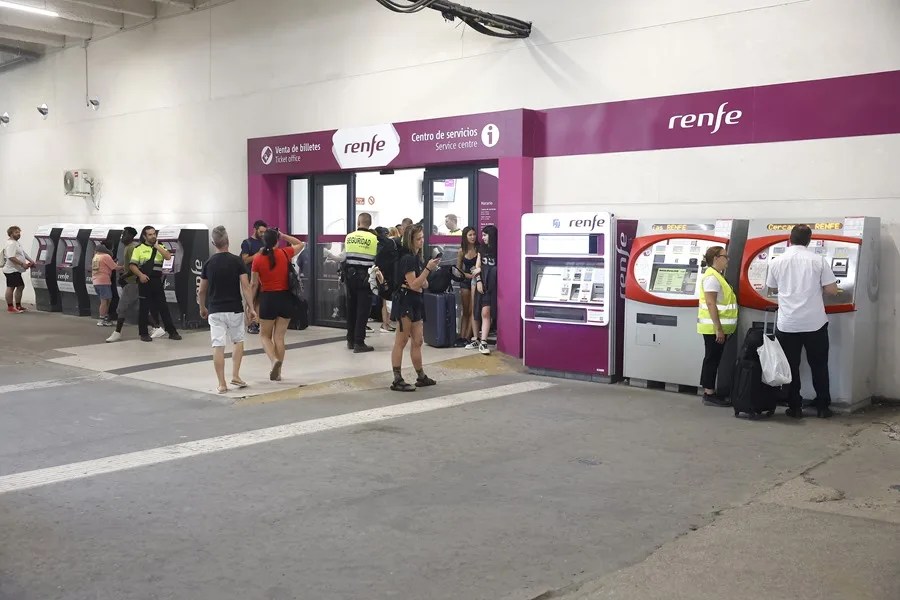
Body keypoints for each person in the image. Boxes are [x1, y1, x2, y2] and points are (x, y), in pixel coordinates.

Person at [766, 224, 840, 419]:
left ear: (790, 239)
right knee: (819, 364)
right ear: (809, 240)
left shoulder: (776, 261)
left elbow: (771, 288)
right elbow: (832, 290)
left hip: (788, 323)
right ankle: (823, 406)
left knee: (791, 366)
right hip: (814, 323)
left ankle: (795, 406)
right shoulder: (818, 260)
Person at [199, 226, 258, 394]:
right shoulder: (237, 261)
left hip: (215, 310)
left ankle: (221, 383)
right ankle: (236, 375)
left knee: (218, 345)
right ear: (228, 241)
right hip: (234, 309)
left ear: (213, 243)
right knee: (238, 341)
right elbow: (246, 287)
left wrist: (202, 307)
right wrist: (251, 308)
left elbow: (202, 290)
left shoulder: (208, 263)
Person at [389, 224, 441, 392]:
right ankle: (397, 379)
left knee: (418, 340)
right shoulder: (408, 259)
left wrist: (423, 276)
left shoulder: (416, 257)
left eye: (422, 238)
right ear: (410, 240)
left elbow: (422, 284)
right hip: (406, 301)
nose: (421, 241)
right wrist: (427, 269)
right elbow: (414, 284)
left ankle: (420, 376)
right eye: (418, 238)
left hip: (415, 301)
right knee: (402, 340)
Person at [251, 228, 305, 381]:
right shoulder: (285, 253)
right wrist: (283, 236)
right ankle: (278, 373)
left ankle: (274, 360)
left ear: (264, 241)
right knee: (279, 337)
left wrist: (250, 305)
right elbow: (300, 244)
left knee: (264, 336)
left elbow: (254, 284)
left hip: (268, 299)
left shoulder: (258, 259)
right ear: (277, 241)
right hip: (285, 298)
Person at [697, 245, 737, 407]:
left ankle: (709, 391)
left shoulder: (717, 276)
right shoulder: (712, 278)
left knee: (713, 358)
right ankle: (709, 393)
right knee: (711, 359)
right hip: (713, 328)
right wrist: (718, 329)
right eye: (725, 256)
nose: (727, 260)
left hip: (717, 327)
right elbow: (711, 303)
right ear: (716, 258)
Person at [130, 226, 182, 342]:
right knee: (144, 308)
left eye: (154, 234)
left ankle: (172, 332)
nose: (153, 236)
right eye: (150, 234)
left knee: (163, 307)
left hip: (157, 281)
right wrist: (140, 275)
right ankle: (143, 333)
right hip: (144, 281)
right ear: (144, 236)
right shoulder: (138, 248)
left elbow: (168, 257)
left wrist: (157, 246)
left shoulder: (161, 247)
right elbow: (132, 265)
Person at [342, 213, 378, 353]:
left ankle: (350, 340)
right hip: (365, 278)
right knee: (362, 311)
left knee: (351, 309)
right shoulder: (374, 239)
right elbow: (376, 258)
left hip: (350, 277)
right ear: (369, 223)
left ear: (358, 222)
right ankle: (359, 342)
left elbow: (344, 256)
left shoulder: (349, 237)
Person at [467, 225, 498, 355]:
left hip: (493, 285)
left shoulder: (498, 249)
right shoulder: (481, 249)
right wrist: (479, 279)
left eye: (485, 235)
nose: (483, 237)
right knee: (479, 311)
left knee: (487, 312)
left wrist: (482, 270)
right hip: (481, 283)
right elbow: (476, 268)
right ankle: (478, 339)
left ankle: (483, 341)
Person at [240, 220, 267, 335]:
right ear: (255, 230)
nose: (262, 234)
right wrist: (258, 254)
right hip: (249, 274)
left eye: (264, 232)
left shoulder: (265, 242)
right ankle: (251, 323)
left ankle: (256, 322)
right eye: (260, 232)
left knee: (259, 301)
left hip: (262, 275)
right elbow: (245, 260)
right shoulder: (247, 243)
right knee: (250, 300)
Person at [3, 225, 33, 313]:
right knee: (11, 287)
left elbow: (23, 253)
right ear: (11, 234)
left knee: (20, 286)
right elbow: (11, 257)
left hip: (15, 270)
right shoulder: (11, 244)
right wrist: (23, 264)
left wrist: (31, 261)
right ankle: (10, 307)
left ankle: (18, 306)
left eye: (19, 232)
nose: (19, 234)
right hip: (11, 270)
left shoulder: (15, 242)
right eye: (16, 232)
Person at [456, 226, 479, 344]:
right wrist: (467, 275)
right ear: (465, 236)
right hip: (466, 281)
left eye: (474, 234)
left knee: (472, 310)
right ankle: (461, 336)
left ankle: (468, 337)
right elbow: (458, 270)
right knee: (465, 311)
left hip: (477, 281)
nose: (473, 237)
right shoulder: (461, 251)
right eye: (470, 235)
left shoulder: (479, 249)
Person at [91, 242, 119, 327]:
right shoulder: (106, 256)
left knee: (106, 300)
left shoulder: (96, 257)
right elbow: (115, 267)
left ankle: (105, 318)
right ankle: (102, 319)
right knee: (105, 301)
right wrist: (126, 266)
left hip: (96, 281)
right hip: (104, 281)